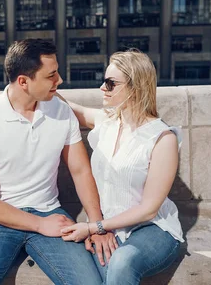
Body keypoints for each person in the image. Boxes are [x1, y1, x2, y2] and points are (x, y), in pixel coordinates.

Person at [0, 39, 116, 285]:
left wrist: (97, 225)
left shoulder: (60, 110)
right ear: (23, 82)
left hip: (49, 211)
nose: (59, 80)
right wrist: (40, 225)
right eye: (51, 75)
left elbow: (80, 170)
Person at [59, 49, 184, 285]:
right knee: (107, 273)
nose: (102, 88)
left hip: (152, 228)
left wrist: (94, 227)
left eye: (110, 83)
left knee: (122, 261)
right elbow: (66, 106)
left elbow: (148, 209)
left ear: (135, 88)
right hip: (109, 227)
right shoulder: (107, 121)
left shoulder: (162, 138)